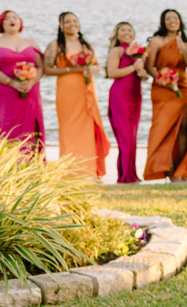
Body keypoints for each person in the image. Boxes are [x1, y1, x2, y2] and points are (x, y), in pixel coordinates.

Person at [43, 12, 110, 178]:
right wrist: (71, 69)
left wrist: (92, 69)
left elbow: (97, 66)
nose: (72, 24)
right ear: (61, 25)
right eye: (67, 22)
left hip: (87, 89)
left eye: (75, 21)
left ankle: (89, 169)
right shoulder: (55, 45)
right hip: (67, 92)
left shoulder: (85, 44)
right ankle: (69, 170)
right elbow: (46, 69)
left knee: (89, 126)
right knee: (68, 128)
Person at [144, 8, 187, 182]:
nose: (172, 21)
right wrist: (162, 79)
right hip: (162, 88)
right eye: (168, 18)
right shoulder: (157, 41)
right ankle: (167, 168)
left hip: (182, 87)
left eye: (175, 18)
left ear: (180, 21)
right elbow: (149, 66)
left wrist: (183, 49)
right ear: (163, 22)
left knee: (183, 127)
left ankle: (181, 169)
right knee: (164, 128)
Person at [105, 22, 148, 183]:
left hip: (135, 95)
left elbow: (140, 75)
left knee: (132, 136)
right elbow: (112, 73)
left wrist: (142, 72)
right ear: (117, 33)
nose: (126, 32)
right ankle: (124, 176)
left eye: (130, 29)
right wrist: (132, 68)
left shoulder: (137, 52)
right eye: (122, 29)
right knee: (125, 137)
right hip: (120, 96)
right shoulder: (117, 50)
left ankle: (132, 174)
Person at [0, 10, 46, 154]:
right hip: (6, 93)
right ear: (2, 23)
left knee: (31, 128)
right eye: (7, 18)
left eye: (15, 17)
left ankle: (31, 168)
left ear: (20, 22)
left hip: (30, 92)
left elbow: (41, 67)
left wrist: (31, 81)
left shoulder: (30, 42)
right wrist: (11, 82)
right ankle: (8, 166)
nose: (12, 20)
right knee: (7, 125)